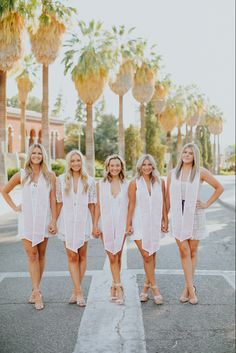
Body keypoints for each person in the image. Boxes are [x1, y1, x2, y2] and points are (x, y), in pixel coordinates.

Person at [166, 143, 224, 304]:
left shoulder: (200, 172)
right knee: (183, 251)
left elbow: (219, 188)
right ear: (181, 154)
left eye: (190, 153)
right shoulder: (172, 173)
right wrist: (164, 216)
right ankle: (192, 289)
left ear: (194, 156)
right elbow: (166, 197)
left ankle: (187, 287)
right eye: (184, 151)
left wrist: (206, 204)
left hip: (195, 215)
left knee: (192, 251)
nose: (186, 155)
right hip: (178, 215)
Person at [1, 143, 57, 310]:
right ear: (29, 155)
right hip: (26, 221)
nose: (37, 156)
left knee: (40, 255)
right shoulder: (22, 174)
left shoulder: (50, 175)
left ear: (43, 156)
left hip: (44, 220)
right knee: (32, 255)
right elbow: (4, 191)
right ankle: (38, 292)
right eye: (34, 153)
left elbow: (53, 200)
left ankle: (34, 289)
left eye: (39, 153)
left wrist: (54, 220)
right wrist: (15, 207)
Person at [126, 154, 168, 305]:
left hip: (155, 223)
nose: (147, 167)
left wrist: (165, 219)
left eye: (149, 164)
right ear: (139, 166)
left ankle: (145, 288)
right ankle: (155, 289)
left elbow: (164, 202)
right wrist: (128, 223)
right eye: (144, 165)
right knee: (146, 255)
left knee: (151, 255)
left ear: (153, 166)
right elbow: (130, 205)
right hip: (138, 223)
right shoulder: (134, 183)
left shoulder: (160, 182)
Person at [56, 150, 96, 307]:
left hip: (83, 221)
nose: (75, 163)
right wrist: (53, 222)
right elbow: (58, 202)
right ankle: (79, 292)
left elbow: (92, 204)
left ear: (82, 162)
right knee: (72, 256)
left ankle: (76, 289)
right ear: (69, 163)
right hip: (66, 221)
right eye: (72, 161)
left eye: (78, 160)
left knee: (82, 256)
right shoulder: (61, 180)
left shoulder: (90, 181)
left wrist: (95, 224)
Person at [92, 155, 129, 305]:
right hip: (105, 223)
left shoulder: (127, 184)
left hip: (121, 224)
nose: (114, 168)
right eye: (112, 165)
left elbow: (131, 205)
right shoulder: (100, 184)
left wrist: (129, 224)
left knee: (118, 256)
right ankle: (119, 287)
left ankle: (114, 284)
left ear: (121, 167)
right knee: (112, 256)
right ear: (107, 167)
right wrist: (95, 225)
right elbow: (98, 205)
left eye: (117, 165)